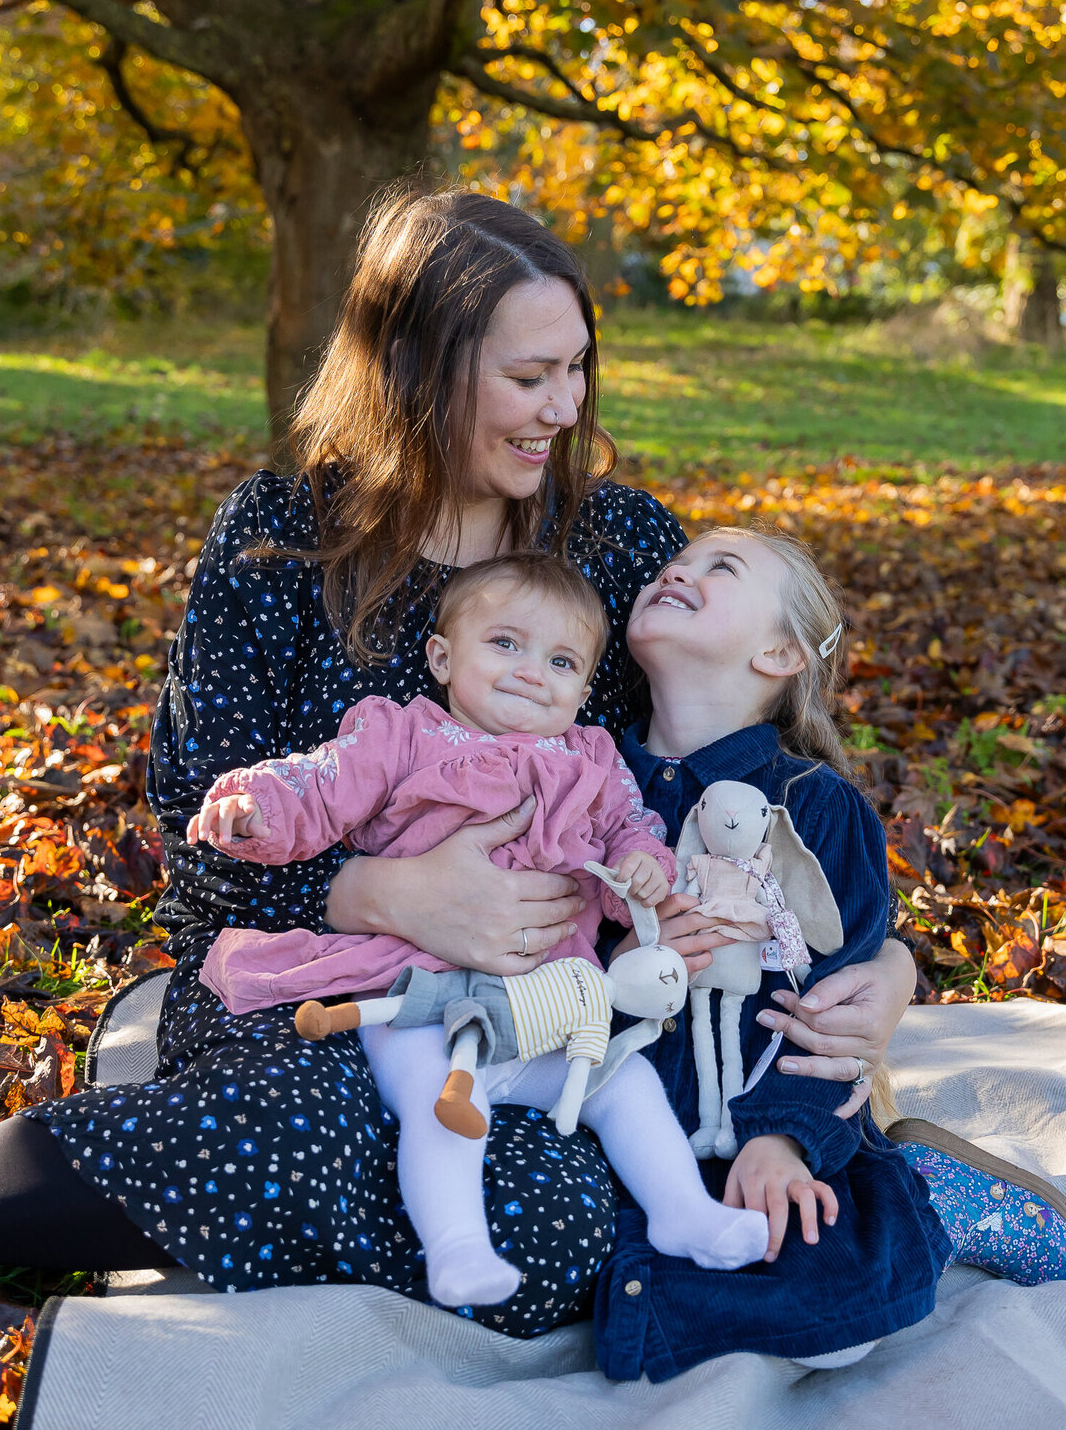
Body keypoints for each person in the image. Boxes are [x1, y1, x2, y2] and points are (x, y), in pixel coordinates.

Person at [0, 185, 915, 1336]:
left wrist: (889, 965)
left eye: (577, 368)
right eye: (527, 375)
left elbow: (759, 778)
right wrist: (383, 888)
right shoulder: (281, 545)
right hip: (316, 986)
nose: (564, 407)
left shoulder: (616, 543)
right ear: (417, 366)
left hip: (541, 1011)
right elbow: (195, 847)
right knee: (316, 1118)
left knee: (558, 1230)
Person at [191, 551, 768, 1309]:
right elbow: (319, 784)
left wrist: (642, 872)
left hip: (541, 1013)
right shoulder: (401, 737)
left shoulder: (591, 761)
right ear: (442, 656)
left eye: (561, 660)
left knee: (621, 1080)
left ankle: (684, 1214)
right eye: (505, 644)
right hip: (422, 997)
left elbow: (635, 828)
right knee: (439, 1095)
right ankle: (457, 1247)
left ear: (584, 688)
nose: (533, 671)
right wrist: (257, 806)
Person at [591, 526, 1066, 1382]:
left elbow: (825, 1013)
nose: (678, 568)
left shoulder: (814, 808)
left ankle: (932, 1201)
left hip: (764, 1113)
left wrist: (781, 1142)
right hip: (620, 1112)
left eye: (723, 567)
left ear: (780, 651)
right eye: (680, 562)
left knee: (844, 1305)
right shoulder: (588, 778)